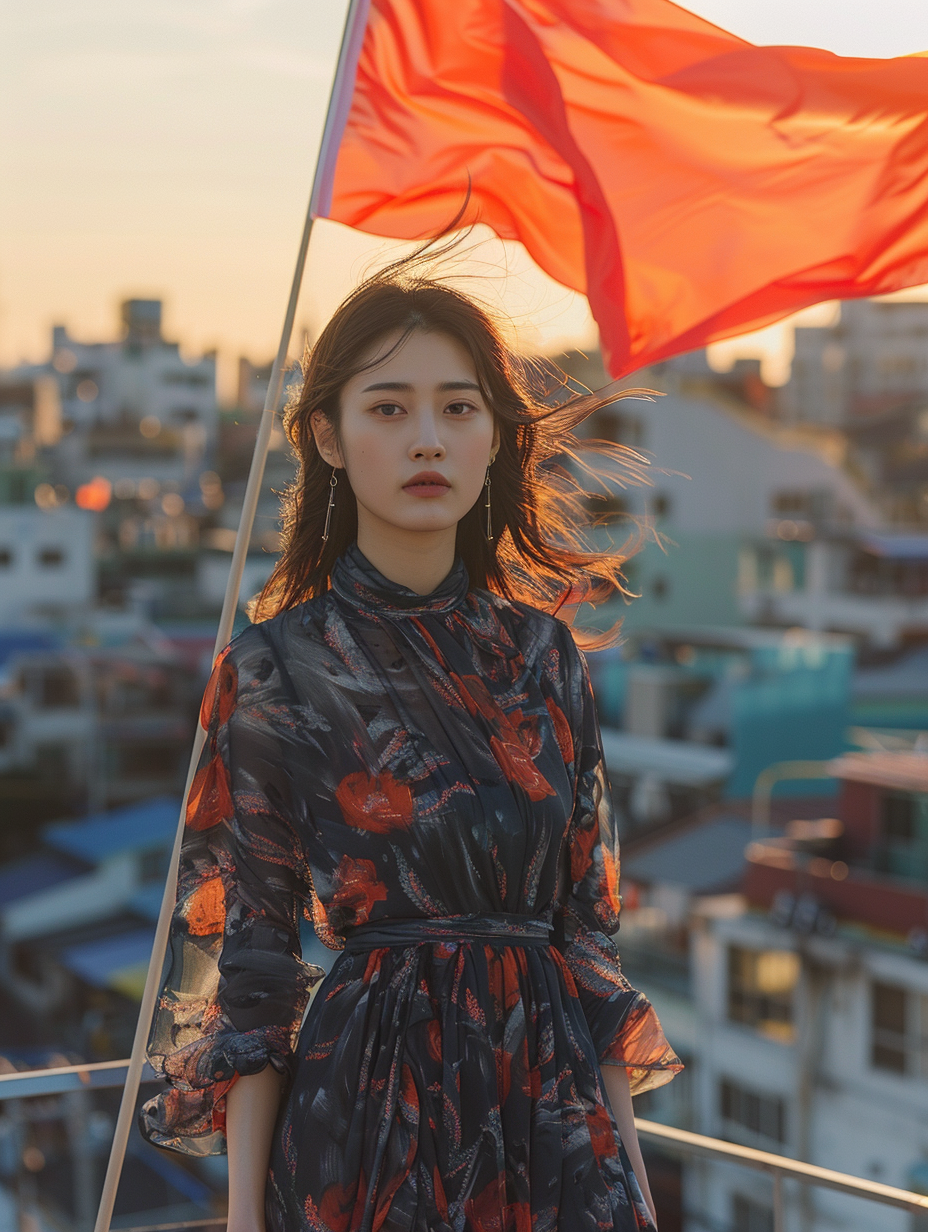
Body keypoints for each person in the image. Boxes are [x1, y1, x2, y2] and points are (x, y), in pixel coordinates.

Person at [138, 247, 682, 1232]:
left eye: (458, 408)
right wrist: (245, 1220)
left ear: (494, 438)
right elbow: (252, 981)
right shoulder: (272, 667)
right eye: (389, 407)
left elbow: (586, 950)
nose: (427, 437)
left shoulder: (545, 657)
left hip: (549, 1126)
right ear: (330, 437)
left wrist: (634, 1189)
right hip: (365, 1127)